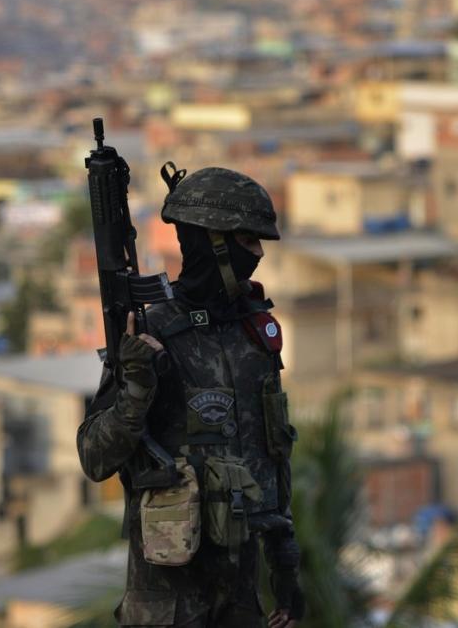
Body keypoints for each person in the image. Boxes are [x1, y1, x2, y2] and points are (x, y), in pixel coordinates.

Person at [78, 167, 304, 628]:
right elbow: (95, 457)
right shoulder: (150, 332)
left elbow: (273, 457)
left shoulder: (253, 334)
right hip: (168, 605)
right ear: (210, 242)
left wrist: (285, 569)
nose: (258, 253)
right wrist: (138, 386)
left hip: (240, 602)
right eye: (246, 240)